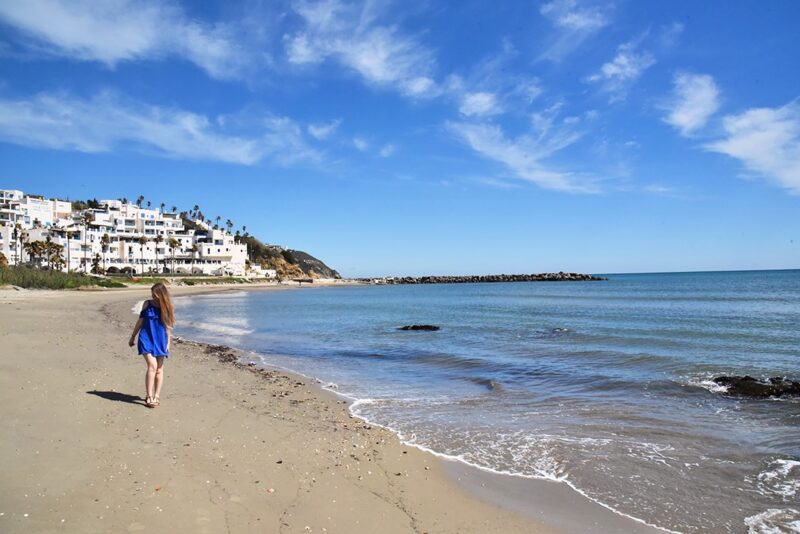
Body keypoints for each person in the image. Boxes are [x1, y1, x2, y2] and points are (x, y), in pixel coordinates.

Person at [129, 282, 175, 408]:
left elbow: (168, 327)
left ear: (161, 295)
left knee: (159, 370)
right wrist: (133, 336)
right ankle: (149, 396)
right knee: (152, 366)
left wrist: (168, 344)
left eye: (155, 295)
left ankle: (157, 396)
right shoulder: (147, 304)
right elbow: (140, 321)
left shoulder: (168, 307)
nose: (153, 297)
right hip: (146, 338)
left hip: (160, 340)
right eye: (152, 294)